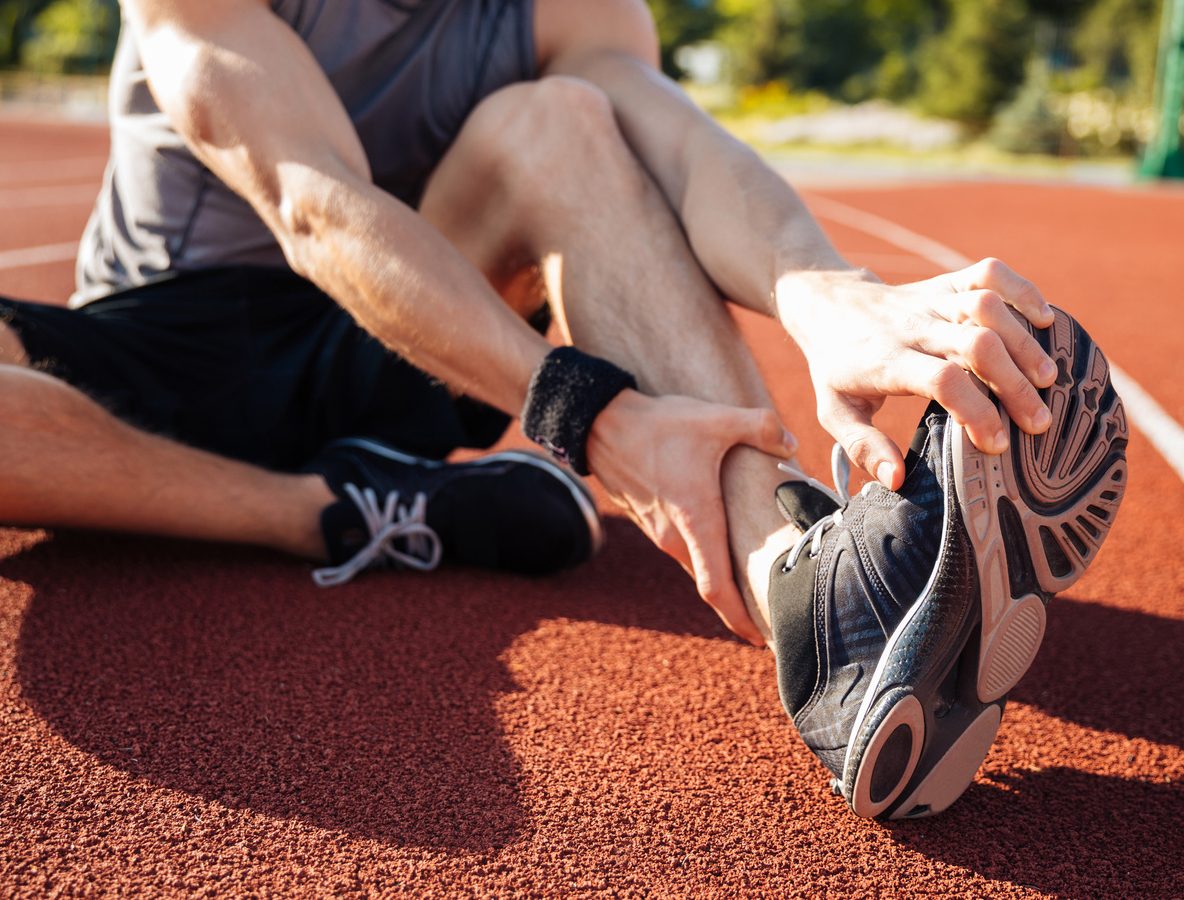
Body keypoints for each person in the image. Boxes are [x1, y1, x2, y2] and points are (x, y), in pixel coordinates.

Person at [0, 0, 1127, 818]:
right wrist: (586, 412)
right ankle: (329, 509)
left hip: (398, 338)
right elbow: (310, 201)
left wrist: (821, 290)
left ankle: (815, 595)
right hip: (145, 355)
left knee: (560, 120)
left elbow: (672, 141)